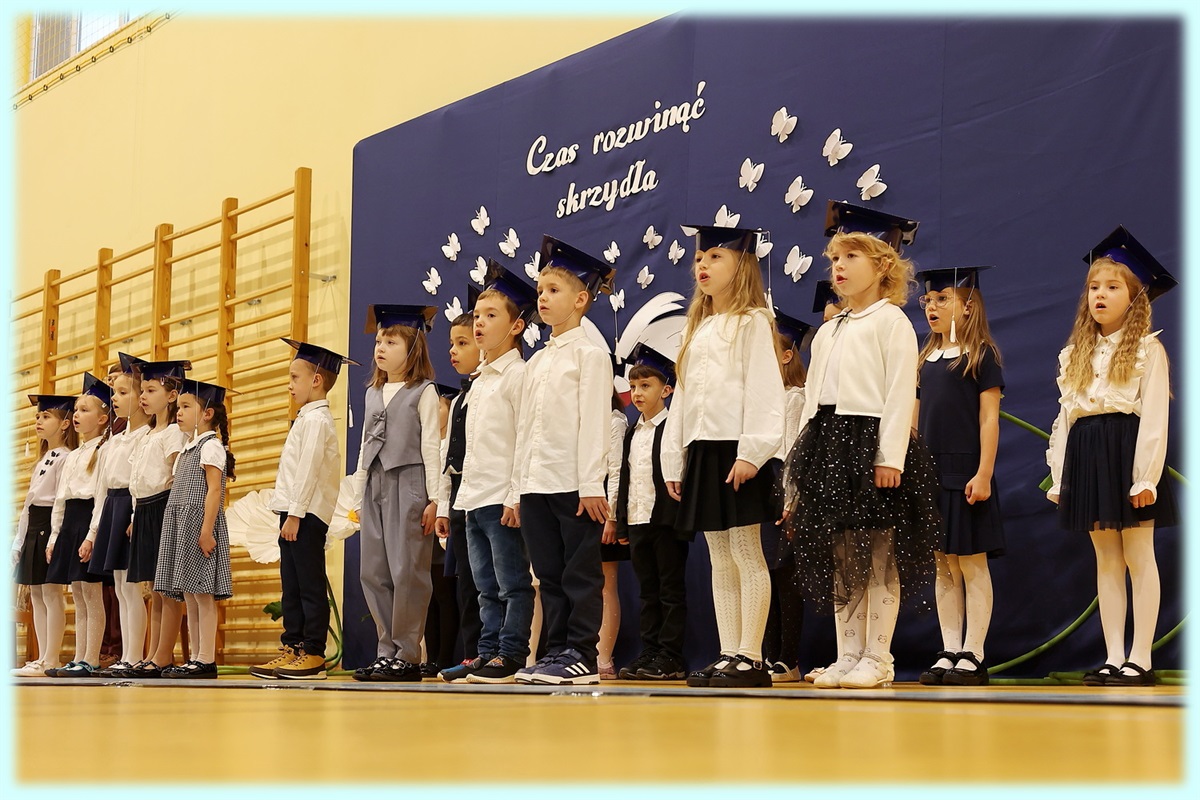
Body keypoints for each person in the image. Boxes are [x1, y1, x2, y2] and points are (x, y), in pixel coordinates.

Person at [783, 201, 940, 690]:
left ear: (883, 264)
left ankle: (878, 656)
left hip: (869, 441)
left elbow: (899, 391)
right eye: (835, 258)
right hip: (828, 442)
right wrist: (799, 469)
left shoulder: (891, 321)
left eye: (851, 257)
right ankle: (847, 653)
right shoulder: (829, 330)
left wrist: (890, 456)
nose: (839, 267)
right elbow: (812, 400)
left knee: (878, 554)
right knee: (841, 556)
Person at [1047, 226, 1177, 687]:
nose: (1099, 295)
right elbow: (1066, 418)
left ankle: (1141, 657)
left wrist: (1145, 478)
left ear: (1134, 296)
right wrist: (1061, 477)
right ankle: (1113, 654)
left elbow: (1155, 417)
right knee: (1106, 560)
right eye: (1094, 288)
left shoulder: (1147, 349)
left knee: (1139, 556)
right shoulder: (1074, 354)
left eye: (1112, 287)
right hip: (1088, 452)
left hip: (1126, 451)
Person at [663, 224, 785, 689]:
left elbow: (764, 390)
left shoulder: (753, 321)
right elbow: (685, 399)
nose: (703, 265)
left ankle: (751, 657)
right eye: (700, 258)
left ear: (742, 264)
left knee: (746, 551)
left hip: (738, 450)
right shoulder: (698, 327)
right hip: (704, 448)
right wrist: (675, 458)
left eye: (715, 256)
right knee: (719, 555)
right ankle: (728, 652)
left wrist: (753, 451)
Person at [513, 236, 615, 685]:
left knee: (580, 573)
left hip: (573, 485)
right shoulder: (536, 362)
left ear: (580, 299)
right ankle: (556, 651)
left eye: (554, 290)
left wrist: (591, 484)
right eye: (540, 290)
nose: (543, 298)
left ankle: (581, 653)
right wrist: (517, 489)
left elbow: (594, 422)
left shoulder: (590, 356)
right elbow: (525, 430)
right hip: (536, 484)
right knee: (548, 574)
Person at [439, 263, 537, 684]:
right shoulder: (477, 381)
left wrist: (515, 495)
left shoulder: (518, 375)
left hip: (501, 497)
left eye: (491, 315)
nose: (479, 323)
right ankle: (486, 652)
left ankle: (511, 653)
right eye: (477, 315)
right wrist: (454, 502)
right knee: (483, 585)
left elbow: (525, 439)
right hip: (473, 497)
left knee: (512, 582)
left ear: (516, 326)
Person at [912, 267, 1006, 687]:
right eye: (928, 301)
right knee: (943, 565)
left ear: (968, 306)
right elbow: (914, 422)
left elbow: (989, 420)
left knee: (970, 563)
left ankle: (974, 652)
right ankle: (950, 647)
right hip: (931, 473)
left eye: (942, 299)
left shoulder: (981, 356)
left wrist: (983, 472)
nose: (932, 307)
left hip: (966, 471)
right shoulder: (924, 360)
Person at [250, 340, 356, 680]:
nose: (289, 384)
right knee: (292, 586)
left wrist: (295, 514)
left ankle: (313, 652)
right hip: (293, 512)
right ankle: (293, 647)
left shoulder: (317, 421)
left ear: (317, 380)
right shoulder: (306, 418)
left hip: (306, 515)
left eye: (295, 377)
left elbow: (308, 470)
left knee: (309, 584)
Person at [352, 304, 442, 682]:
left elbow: (431, 448)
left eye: (391, 342)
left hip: (409, 483)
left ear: (413, 348)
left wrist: (436, 499)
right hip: (375, 483)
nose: (381, 348)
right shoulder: (373, 392)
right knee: (373, 571)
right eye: (379, 341)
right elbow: (364, 447)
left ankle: (407, 652)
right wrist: (358, 494)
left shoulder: (423, 391)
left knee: (407, 570)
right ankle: (385, 650)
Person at [608, 344, 687, 681]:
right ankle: (651, 650)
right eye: (633, 386)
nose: (637, 393)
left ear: (666, 390)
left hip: (665, 522)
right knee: (647, 592)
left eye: (645, 385)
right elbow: (626, 477)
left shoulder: (671, 430)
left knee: (670, 591)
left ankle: (671, 655)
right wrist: (623, 523)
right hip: (638, 521)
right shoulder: (631, 432)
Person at [153, 379, 236, 678]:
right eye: (178, 407)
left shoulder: (211, 446)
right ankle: (196, 658)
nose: (179, 412)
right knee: (189, 594)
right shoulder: (188, 448)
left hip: (200, 524)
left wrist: (207, 530)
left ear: (207, 414)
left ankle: (206, 658)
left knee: (202, 593)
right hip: (182, 525)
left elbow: (214, 491)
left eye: (186, 407)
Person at [122, 360, 191, 678]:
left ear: (172, 395)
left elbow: (177, 475)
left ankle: (164, 654)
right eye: (143, 390)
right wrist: (135, 515)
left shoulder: (174, 433)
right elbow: (137, 480)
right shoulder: (149, 434)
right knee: (153, 587)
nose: (143, 396)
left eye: (151, 390)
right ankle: (153, 653)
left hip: (164, 507)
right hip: (145, 510)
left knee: (167, 588)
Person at [88, 353, 153, 676]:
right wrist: (95, 529)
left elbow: (141, 481)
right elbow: (102, 487)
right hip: (113, 506)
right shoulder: (116, 439)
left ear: (141, 398)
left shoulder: (146, 437)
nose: (114, 398)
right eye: (115, 392)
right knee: (117, 585)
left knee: (131, 586)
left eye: (123, 392)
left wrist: (134, 515)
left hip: (130, 505)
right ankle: (126, 655)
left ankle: (133, 655)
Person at [44, 375, 111, 678]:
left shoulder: (104, 450)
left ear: (102, 418)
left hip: (87, 520)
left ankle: (91, 658)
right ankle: (79, 656)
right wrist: (54, 536)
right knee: (78, 595)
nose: (77, 415)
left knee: (91, 594)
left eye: (85, 410)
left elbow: (101, 496)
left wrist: (92, 535)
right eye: (76, 410)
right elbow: (60, 498)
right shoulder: (73, 456)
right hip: (70, 522)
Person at [11, 394, 77, 677]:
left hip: (50, 524)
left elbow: (60, 500)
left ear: (65, 424)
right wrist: (18, 542)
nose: (39, 420)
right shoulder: (42, 461)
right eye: (38, 416)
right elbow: (29, 504)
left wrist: (55, 535)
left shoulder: (66, 458)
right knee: (36, 593)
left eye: (46, 416)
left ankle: (52, 657)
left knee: (50, 592)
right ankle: (41, 656)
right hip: (34, 524)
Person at [434, 313, 484, 681]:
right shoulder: (460, 399)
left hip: (487, 494)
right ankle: (471, 654)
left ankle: (492, 652)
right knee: (465, 582)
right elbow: (448, 457)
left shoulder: (492, 390)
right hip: (459, 499)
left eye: (462, 343)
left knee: (488, 581)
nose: (453, 351)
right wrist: (443, 506)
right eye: (452, 343)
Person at [762, 308, 811, 683]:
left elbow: (795, 450)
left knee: (786, 574)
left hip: (784, 485)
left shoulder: (795, 397)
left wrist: (792, 498)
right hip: (761, 484)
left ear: (787, 355)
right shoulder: (761, 398)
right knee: (763, 572)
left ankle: (788, 658)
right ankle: (767, 653)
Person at [598, 385, 630, 680]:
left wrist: (612, 517)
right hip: (581, 507)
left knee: (606, 585)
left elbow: (617, 469)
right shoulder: (582, 419)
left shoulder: (614, 419)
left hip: (605, 507)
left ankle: (604, 658)